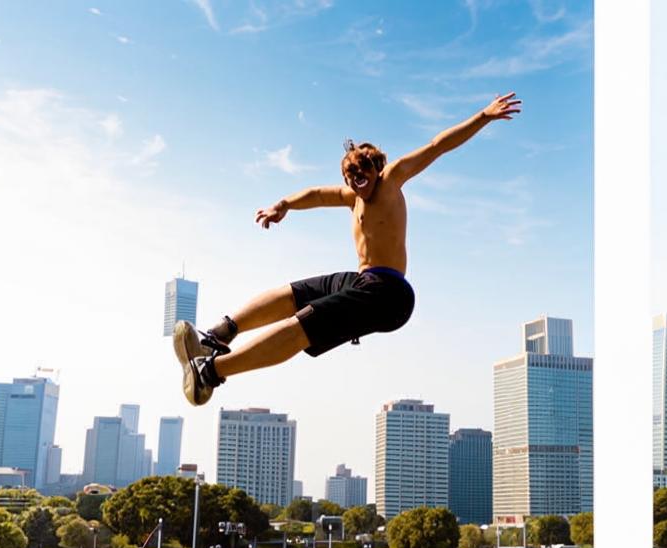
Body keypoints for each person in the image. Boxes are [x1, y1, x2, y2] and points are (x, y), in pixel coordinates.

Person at [172, 93, 523, 405]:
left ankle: (211, 373)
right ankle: (217, 337)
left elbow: (437, 145)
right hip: (362, 281)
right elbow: (316, 194)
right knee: (293, 293)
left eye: (363, 171)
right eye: (350, 174)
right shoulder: (351, 197)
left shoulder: (391, 180)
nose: (357, 178)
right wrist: (283, 205)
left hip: (390, 294)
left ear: (377, 168)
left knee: (302, 325)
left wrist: (484, 116)